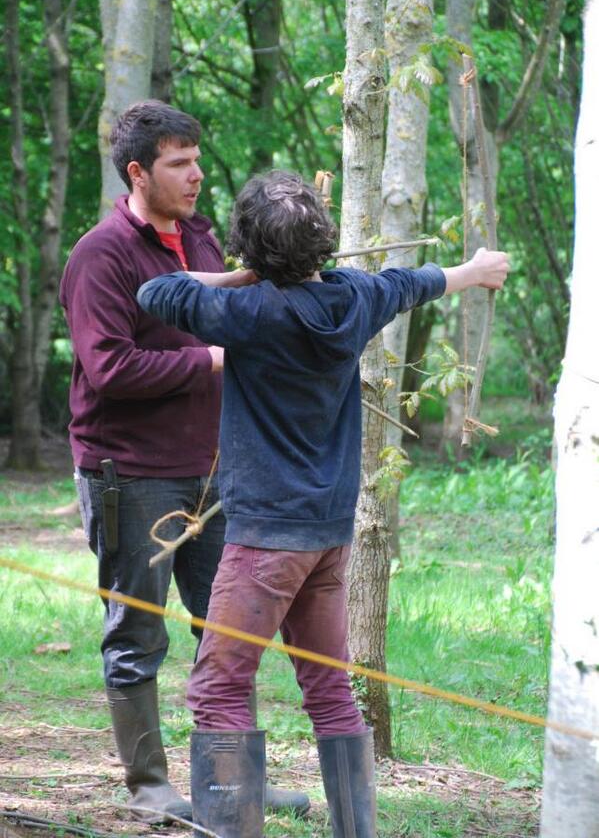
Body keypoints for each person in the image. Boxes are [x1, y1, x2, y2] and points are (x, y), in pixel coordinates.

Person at [137, 170, 510, 837]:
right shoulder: (357, 297)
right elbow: (414, 283)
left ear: (251, 252)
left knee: (218, 689)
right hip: (328, 536)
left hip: (264, 543)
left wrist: (242, 277)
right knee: (329, 689)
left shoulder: (246, 311)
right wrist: (474, 269)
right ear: (320, 245)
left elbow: (157, 291)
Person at [59, 104, 308, 824]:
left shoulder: (198, 237)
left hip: (216, 470)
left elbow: (221, 297)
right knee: (137, 633)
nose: (197, 174)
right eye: (178, 162)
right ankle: (150, 789)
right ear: (138, 172)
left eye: (197, 158)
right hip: (130, 474)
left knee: (227, 633)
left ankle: (233, 785)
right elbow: (108, 367)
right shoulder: (100, 254)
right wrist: (213, 358)